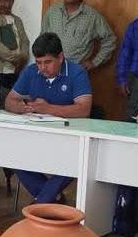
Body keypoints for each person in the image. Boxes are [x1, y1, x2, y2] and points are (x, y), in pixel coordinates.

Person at [5, 34, 92, 204]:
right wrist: (22, 108)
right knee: (13, 155)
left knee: (77, 161)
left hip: (69, 137)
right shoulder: (31, 71)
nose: (42, 68)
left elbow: (84, 109)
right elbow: (9, 101)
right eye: (38, 62)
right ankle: (51, 198)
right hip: (37, 134)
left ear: (60, 57)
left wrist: (48, 108)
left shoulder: (77, 73)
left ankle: (42, 201)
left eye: (47, 62)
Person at [40, 0, 115, 72]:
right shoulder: (52, 11)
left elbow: (110, 39)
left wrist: (95, 62)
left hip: (75, 71)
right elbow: (43, 37)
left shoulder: (92, 16)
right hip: (50, 70)